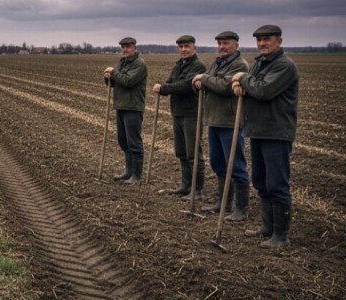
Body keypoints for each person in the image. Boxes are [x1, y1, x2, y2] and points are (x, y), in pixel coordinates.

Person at [232, 25, 299, 249]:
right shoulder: (260, 63)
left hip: (277, 132)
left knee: (277, 183)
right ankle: (267, 227)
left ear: (278, 41)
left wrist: (242, 77)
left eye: (267, 40)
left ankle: (281, 235)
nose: (262, 44)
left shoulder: (284, 66)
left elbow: (263, 91)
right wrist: (239, 83)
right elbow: (251, 86)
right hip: (258, 130)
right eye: (259, 40)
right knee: (261, 181)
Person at [193, 31, 250, 220]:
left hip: (230, 122)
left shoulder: (239, 65)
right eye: (219, 43)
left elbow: (225, 87)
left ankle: (241, 208)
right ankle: (224, 202)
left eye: (226, 43)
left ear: (236, 45)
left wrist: (204, 79)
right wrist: (200, 81)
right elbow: (208, 81)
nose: (222, 47)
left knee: (236, 165)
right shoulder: (217, 63)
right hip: (214, 120)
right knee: (218, 163)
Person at [153, 35, 207, 200]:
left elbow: (184, 85)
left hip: (191, 114)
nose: (183, 49)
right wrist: (167, 87)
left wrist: (164, 88)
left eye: (187, 46)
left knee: (193, 153)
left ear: (194, 48)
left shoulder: (198, 66)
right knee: (181, 151)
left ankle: (196, 190)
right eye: (181, 47)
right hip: (177, 112)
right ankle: (185, 185)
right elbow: (172, 82)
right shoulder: (178, 66)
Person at [103, 37, 148, 184]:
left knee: (134, 142)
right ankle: (128, 172)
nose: (125, 50)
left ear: (135, 47)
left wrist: (113, 72)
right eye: (123, 47)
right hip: (121, 106)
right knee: (123, 141)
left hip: (133, 107)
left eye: (128, 47)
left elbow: (128, 81)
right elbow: (115, 83)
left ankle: (136, 175)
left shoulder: (139, 64)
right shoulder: (122, 62)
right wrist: (108, 77)